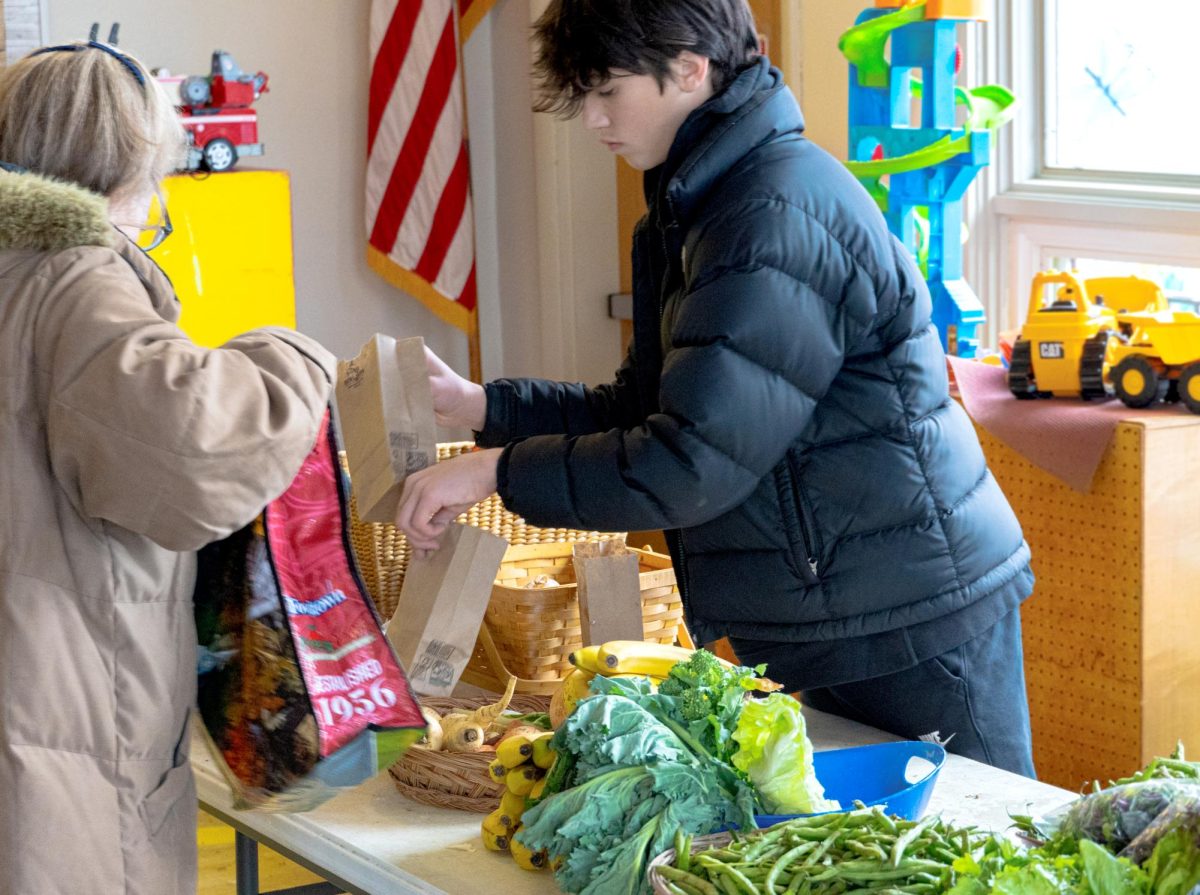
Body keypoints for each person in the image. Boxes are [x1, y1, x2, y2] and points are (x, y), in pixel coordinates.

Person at [395, 0, 1037, 777]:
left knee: (978, 851)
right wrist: (483, 409)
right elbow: (644, 411)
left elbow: (687, 462)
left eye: (608, 90)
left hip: (910, 614)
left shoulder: (769, 213)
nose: (595, 120)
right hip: (836, 605)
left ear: (690, 67)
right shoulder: (694, 207)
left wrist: (494, 471)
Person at [0, 41, 335, 894]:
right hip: (60, 712)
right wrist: (293, 357)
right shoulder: (71, 280)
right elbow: (201, 445)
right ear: (126, 170)